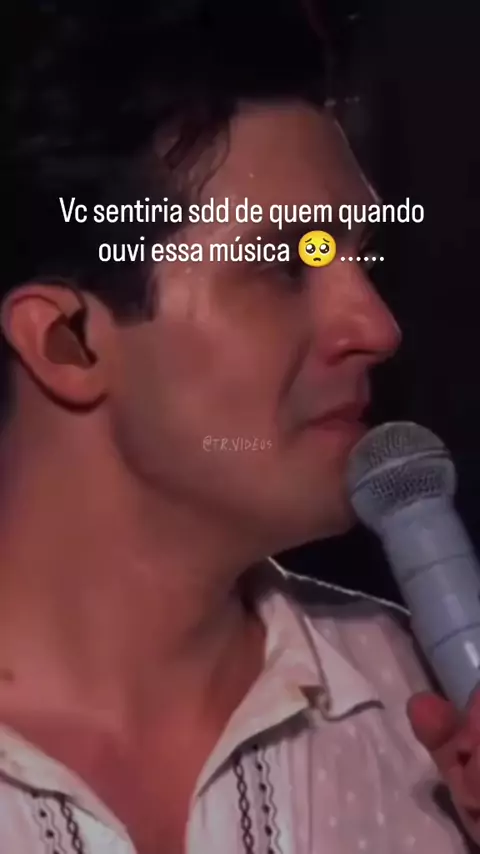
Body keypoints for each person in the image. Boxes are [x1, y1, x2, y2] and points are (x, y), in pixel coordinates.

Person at [1, 4, 479, 854]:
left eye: (359, 259)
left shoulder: (428, 710)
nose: (376, 326)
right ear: (67, 343)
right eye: (286, 263)